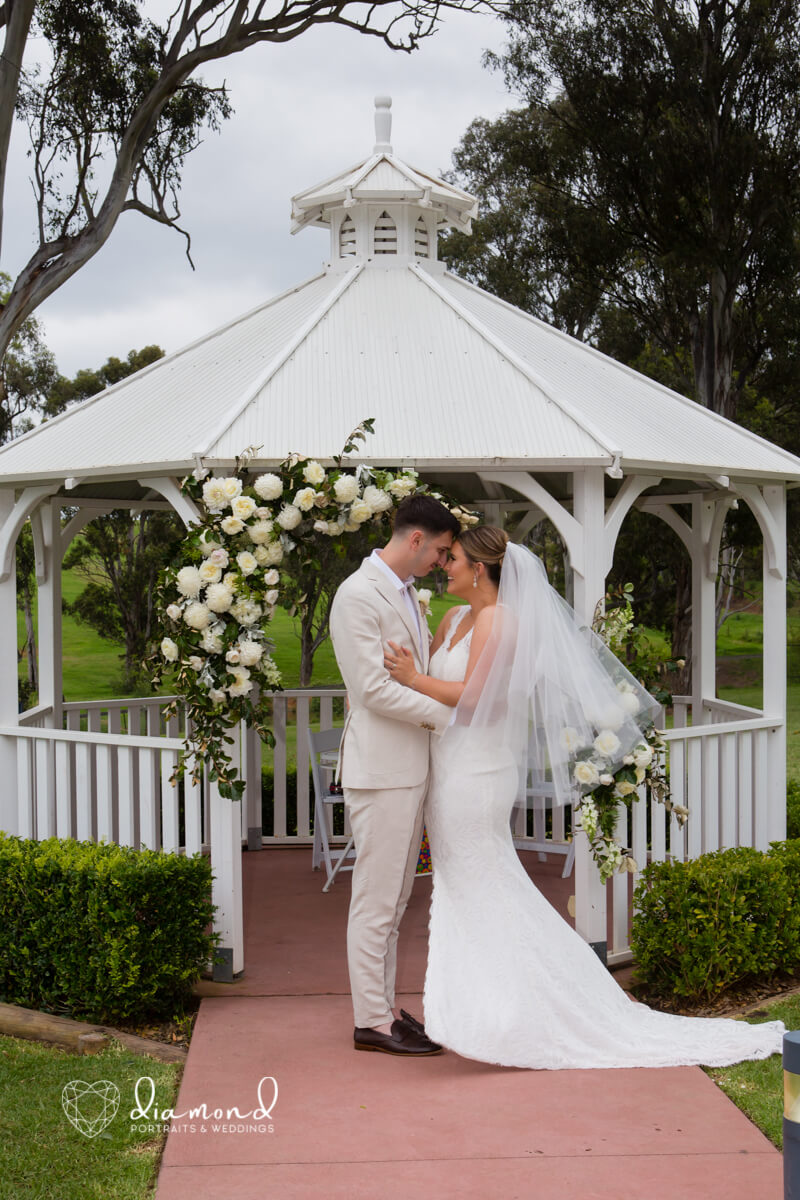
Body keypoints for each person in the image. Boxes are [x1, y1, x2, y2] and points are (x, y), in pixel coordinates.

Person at [383, 526, 785, 1069]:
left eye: (451, 558)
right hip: (447, 768)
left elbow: (476, 702)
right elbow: (438, 687)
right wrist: (408, 673)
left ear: (478, 569)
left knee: (484, 880)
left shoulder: (499, 621)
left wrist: (411, 676)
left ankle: (515, 1011)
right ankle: (488, 1005)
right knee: (467, 883)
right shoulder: (453, 619)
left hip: (478, 773)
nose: (443, 565)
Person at [329, 494, 460, 1056]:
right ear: (415, 539)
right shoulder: (358, 595)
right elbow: (372, 691)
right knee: (376, 900)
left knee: (396, 898)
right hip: (382, 772)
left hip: (409, 769)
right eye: (440, 551)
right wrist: (450, 718)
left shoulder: (406, 592)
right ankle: (372, 1022)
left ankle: (381, 1010)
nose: (441, 561)